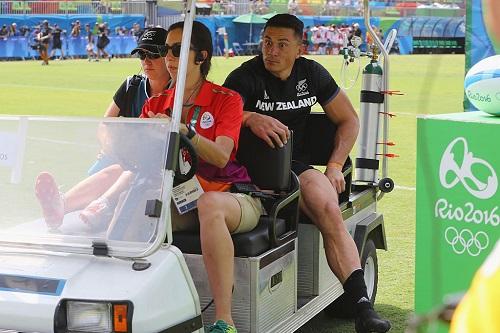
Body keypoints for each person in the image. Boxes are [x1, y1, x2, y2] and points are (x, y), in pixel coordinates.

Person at [223, 14, 391, 333]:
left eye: (282, 44)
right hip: (244, 172)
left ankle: (361, 307)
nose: (271, 50)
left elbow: (349, 120)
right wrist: (249, 117)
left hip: (293, 169)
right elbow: (218, 118)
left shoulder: (311, 73)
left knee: (327, 205)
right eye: (267, 42)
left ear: (301, 47)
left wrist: (334, 165)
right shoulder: (244, 77)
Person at [142, 21, 263, 333]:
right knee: (137, 204)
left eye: (178, 50)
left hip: (233, 195)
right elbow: (140, 162)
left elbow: (222, 155)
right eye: (165, 49)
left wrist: (186, 133)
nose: (168, 56)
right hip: (180, 199)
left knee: (209, 204)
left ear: (201, 56)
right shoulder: (155, 104)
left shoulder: (227, 100)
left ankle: (224, 320)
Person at [35, 27, 171, 230]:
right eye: (142, 54)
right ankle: (60, 206)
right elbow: (105, 123)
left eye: (153, 53)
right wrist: (111, 146)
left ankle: (72, 204)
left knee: (119, 170)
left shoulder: (178, 94)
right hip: (122, 156)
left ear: (169, 56)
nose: (146, 60)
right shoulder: (131, 86)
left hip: (154, 165)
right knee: (113, 168)